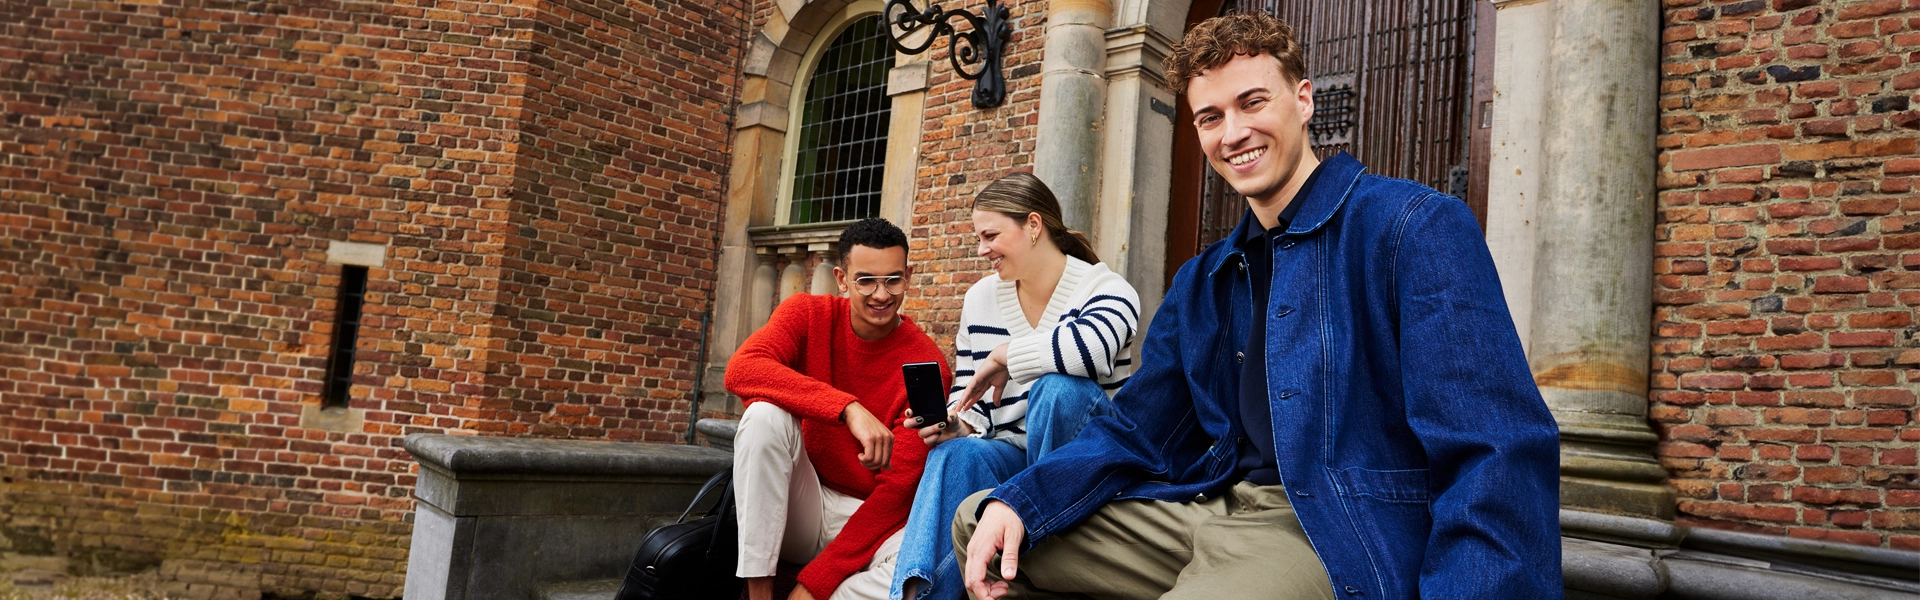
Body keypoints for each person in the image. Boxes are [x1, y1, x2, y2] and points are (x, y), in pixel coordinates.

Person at [953, 12, 1562, 600]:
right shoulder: (1204, 279)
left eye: (1252, 103)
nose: (1233, 133)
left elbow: (1495, 450)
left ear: (1303, 100)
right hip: (1207, 506)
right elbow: (1137, 429)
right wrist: (1022, 500)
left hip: (1332, 524)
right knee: (985, 521)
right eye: (1210, 117)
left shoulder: (1412, 227)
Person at [890, 173, 1141, 600]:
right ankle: (916, 596)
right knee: (955, 454)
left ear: (1033, 225)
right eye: (979, 237)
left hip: (1087, 461)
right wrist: (958, 424)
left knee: (1060, 390)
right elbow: (973, 397)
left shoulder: (1106, 288)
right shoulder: (981, 298)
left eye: (991, 235)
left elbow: (1090, 350)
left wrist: (1005, 355)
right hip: (1013, 456)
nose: (982, 249)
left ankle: (1032, 561)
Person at [725, 218, 952, 600]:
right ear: (842, 278)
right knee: (763, 416)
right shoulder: (807, 314)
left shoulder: (926, 364)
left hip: (867, 518)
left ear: (908, 276)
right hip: (801, 500)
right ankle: (759, 595)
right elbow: (742, 369)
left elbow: (897, 491)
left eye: (893, 280)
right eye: (866, 280)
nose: (881, 294)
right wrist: (847, 407)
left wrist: (814, 584)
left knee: (918, 571)